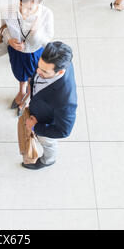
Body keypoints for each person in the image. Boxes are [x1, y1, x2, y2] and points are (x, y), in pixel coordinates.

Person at [22, 41, 77, 170]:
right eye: (39, 66)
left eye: (44, 72)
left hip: (44, 122)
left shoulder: (65, 100)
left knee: (48, 143)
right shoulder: (54, 59)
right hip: (39, 106)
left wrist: (35, 127)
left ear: (60, 72)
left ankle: (48, 160)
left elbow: (64, 131)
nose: (38, 71)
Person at [2, 0, 54, 116]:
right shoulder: (9, 10)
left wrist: (36, 32)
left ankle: (28, 98)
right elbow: (3, 29)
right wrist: (9, 40)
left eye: (30, 8)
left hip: (34, 52)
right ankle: (22, 90)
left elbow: (48, 41)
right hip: (16, 51)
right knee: (19, 73)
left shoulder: (46, 14)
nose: (24, 12)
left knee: (34, 77)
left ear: (39, 3)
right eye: (21, 5)